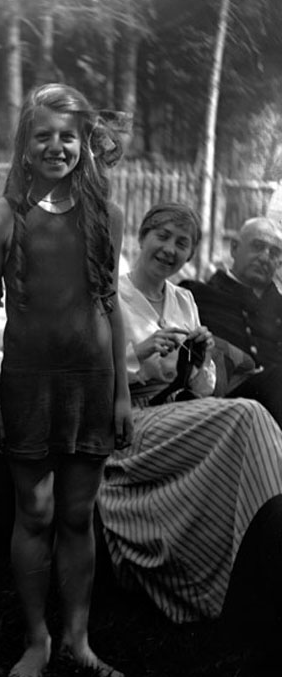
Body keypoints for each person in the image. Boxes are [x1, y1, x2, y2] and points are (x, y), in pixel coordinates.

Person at [0, 83, 133, 677]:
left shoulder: (108, 214)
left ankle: (78, 640)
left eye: (67, 137)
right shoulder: (3, 217)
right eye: (43, 135)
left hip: (92, 382)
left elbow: (110, 303)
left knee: (78, 515)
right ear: (25, 144)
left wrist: (123, 392)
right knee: (36, 510)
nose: (56, 146)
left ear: (84, 145)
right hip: (27, 381)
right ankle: (36, 640)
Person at [97, 202, 282, 632]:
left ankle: (256, 567)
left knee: (243, 422)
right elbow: (93, 375)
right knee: (247, 416)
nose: (169, 249)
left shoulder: (184, 299)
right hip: (130, 426)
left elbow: (202, 387)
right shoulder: (112, 296)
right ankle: (266, 556)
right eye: (162, 237)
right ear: (141, 238)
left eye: (182, 243)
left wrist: (199, 359)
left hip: (181, 417)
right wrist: (140, 354)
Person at [180, 216, 282, 425]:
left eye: (274, 253)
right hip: (224, 406)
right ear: (234, 248)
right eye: (258, 246)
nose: (265, 257)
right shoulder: (198, 295)